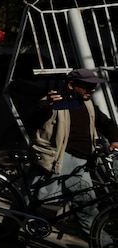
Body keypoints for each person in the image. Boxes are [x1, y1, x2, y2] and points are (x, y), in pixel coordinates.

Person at [28, 68, 118, 239]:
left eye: (94, 86)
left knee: (87, 206)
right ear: (71, 85)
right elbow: (34, 121)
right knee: (35, 200)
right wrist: (47, 106)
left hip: (81, 164)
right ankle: (9, 231)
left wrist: (115, 139)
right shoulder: (57, 101)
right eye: (88, 86)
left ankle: (103, 246)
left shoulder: (87, 103)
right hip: (57, 160)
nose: (93, 90)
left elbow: (106, 123)